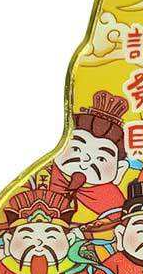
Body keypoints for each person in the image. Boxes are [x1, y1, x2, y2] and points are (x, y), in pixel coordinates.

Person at [47, 90, 130, 225]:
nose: (85, 159)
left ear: (120, 170)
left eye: (101, 159)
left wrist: (103, 223)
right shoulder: (44, 177)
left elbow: (120, 221)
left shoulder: (111, 198)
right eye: (76, 149)